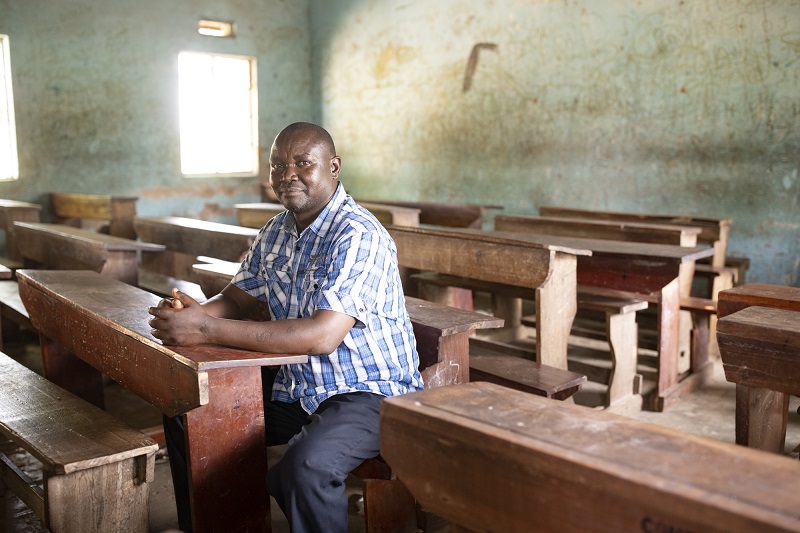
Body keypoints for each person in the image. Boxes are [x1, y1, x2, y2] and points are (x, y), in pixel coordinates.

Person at [147, 121, 423, 533]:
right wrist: (194, 314)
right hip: (299, 383)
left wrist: (205, 330)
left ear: (334, 167)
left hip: (368, 391)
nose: (286, 174)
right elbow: (239, 297)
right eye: (277, 165)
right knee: (190, 409)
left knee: (304, 470)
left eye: (302, 163)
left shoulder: (358, 234)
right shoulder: (276, 230)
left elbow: (322, 336)